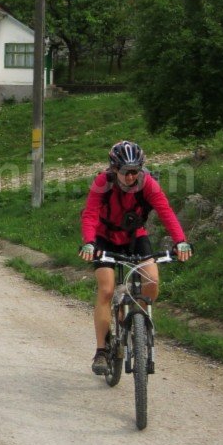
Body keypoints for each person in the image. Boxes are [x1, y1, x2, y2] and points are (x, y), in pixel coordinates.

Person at [79, 141, 193, 375]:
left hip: (135, 237)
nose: (131, 176)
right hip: (104, 238)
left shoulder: (148, 183)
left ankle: (137, 324)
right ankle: (101, 350)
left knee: (151, 280)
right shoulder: (103, 182)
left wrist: (180, 240)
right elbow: (90, 213)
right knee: (107, 289)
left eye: (135, 171)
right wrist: (89, 242)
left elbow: (165, 211)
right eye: (125, 172)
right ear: (114, 169)